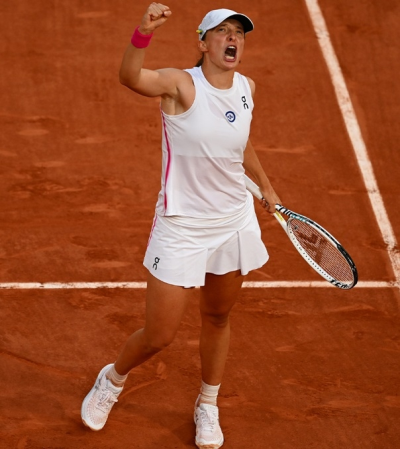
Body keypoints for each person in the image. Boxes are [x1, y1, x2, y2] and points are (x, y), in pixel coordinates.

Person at [81, 3, 281, 448]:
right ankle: (112, 380)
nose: (233, 38)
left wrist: (266, 185)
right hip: (182, 227)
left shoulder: (246, 88)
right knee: (159, 335)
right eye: (223, 32)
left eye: (239, 33)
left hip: (232, 221)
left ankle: (208, 403)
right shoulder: (180, 85)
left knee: (218, 316)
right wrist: (143, 32)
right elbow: (130, 77)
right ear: (203, 43)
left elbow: (240, 143)